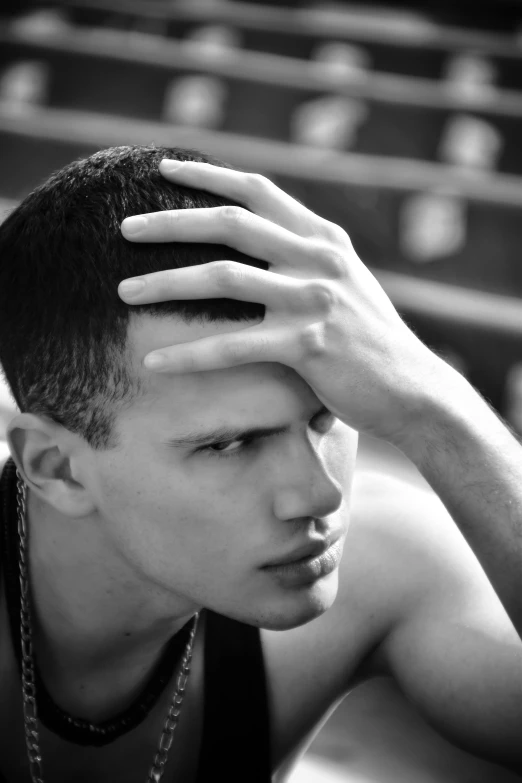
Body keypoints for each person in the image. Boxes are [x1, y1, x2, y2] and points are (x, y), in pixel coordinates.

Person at [0, 145, 520, 783]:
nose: (319, 495)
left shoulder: (383, 561)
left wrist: (437, 411)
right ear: (56, 467)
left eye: (327, 416)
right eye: (228, 444)